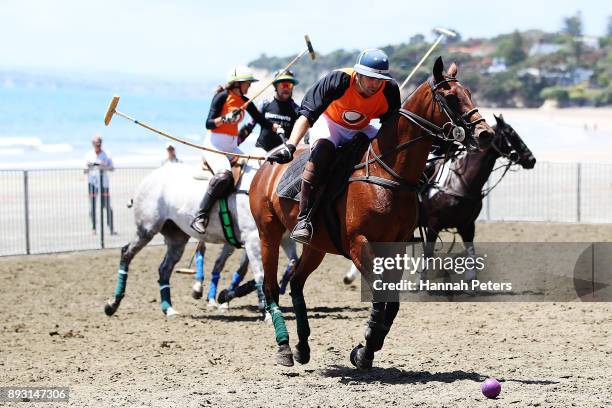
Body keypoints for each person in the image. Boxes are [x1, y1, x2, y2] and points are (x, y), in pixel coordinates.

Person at [267, 49, 401, 244]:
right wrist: (290, 145)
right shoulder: (339, 79)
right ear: (359, 74)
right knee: (321, 154)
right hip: (331, 124)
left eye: (380, 79)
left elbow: (392, 125)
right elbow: (307, 114)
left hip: (362, 128)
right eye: (371, 78)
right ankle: (304, 220)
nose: (376, 84)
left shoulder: (389, 89)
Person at [191, 66, 280, 234]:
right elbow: (208, 123)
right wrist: (224, 119)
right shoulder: (222, 97)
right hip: (214, 146)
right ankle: (200, 215)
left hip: (231, 146)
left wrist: (276, 127)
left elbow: (261, 120)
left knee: (257, 166)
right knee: (224, 174)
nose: (250, 86)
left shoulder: (245, 101)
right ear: (237, 84)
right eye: (247, 83)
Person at [238, 70, 300, 151]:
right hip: (261, 150)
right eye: (283, 85)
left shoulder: (297, 110)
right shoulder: (264, 104)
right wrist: (235, 143)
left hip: (283, 153)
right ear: (275, 86)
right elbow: (249, 127)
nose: (286, 88)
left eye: (289, 85)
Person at [84, 134, 115, 233]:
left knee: (106, 205)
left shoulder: (107, 154)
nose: (98, 146)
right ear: (93, 144)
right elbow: (84, 170)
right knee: (92, 206)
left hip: (104, 184)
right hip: (92, 183)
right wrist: (90, 166)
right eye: (96, 144)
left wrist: (103, 167)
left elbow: (112, 168)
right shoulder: (88, 154)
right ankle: (94, 228)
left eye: (99, 144)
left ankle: (111, 228)